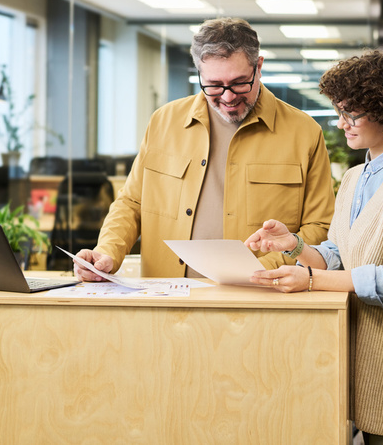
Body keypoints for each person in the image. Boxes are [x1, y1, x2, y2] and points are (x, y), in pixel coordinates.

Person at [245, 49, 383, 445]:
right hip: (361, 356)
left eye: (351, 114)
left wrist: (309, 281)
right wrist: (292, 245)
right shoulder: (356, 177)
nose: (341, 124)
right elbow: (338, 257)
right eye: (340, 112)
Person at [74, 17, 335, 280]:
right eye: (214, 85)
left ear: (259, 66)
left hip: (259, 299)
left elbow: (319, 227)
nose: (228, 96)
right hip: (168, 298)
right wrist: (108, 251)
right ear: (199, 72)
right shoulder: (164, 121)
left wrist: (262, 269)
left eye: (239, 82)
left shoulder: (304, 133)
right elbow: (132, 203)